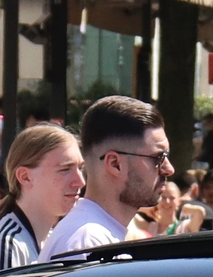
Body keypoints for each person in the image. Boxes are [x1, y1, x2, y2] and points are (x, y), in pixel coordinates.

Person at [47, 96, 172, 256]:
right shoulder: (86, 243)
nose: (169, 169)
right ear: (115, 164)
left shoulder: (96, 236)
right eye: (158, 158)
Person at [0, 124, 83, 273]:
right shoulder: (6, 244)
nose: (80, 181)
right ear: (25, 177)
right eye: (65, 169)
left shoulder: (53, 239)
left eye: (80, 168)